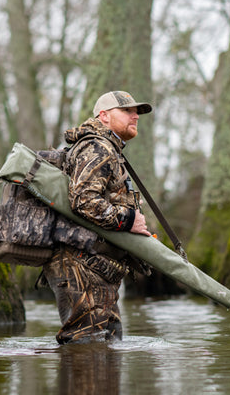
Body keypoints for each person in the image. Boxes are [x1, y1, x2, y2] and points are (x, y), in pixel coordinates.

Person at [41, 91, 153, 344]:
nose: (135, 115)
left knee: (105, 344)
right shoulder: (97, 147)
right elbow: (83, 200)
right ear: (103, 116)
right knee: (88, 344)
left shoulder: (107, 148)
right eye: (126, 111)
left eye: (136, 111)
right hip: (81, 262)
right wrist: (128, 219)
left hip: (94, 263)